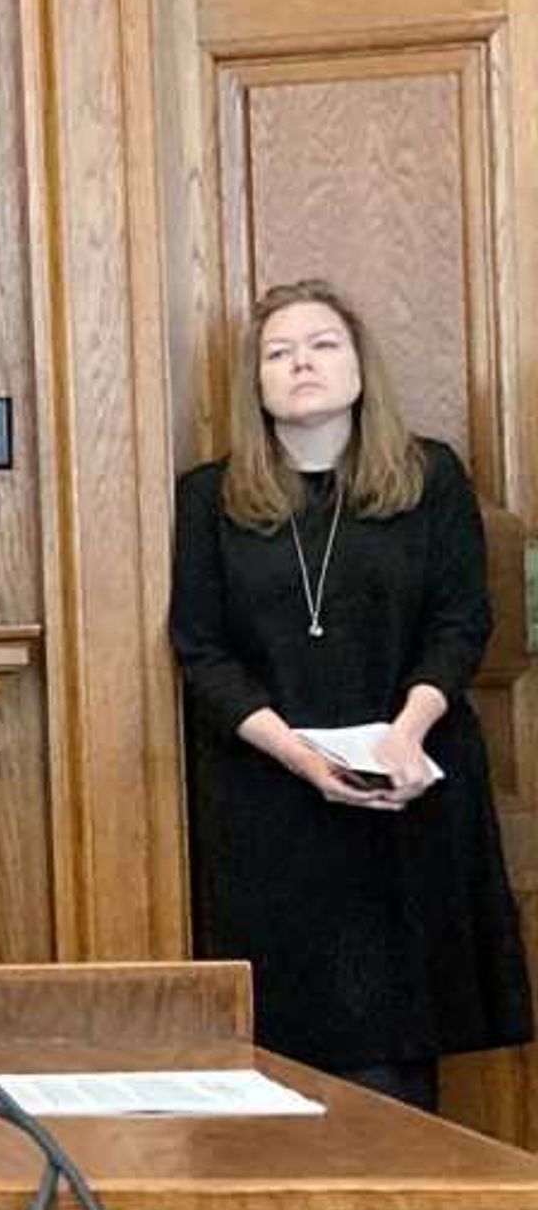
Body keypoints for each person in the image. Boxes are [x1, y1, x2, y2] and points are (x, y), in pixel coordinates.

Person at [168, 277, 529, 1108]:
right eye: (278, 352)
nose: (302, 363)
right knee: (288, 1058)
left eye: (323, 344)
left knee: (400, 1060)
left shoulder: (429, 476)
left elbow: (461, 621)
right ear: (255, 382)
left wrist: (406, 734)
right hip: (272, 804)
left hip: (406, 789)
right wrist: (301, 757)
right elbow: (203, 650)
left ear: (360, 366)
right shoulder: (208, 498)